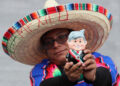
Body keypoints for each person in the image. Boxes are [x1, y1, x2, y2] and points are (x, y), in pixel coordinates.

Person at [1, 0, 120, 86]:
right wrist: (67, 79)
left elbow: (110, 77)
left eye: (62, 37)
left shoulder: (98, 60)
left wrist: (93, 76)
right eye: (48, 42)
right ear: (45, 50)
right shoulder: (41, 70)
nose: (55, 45)